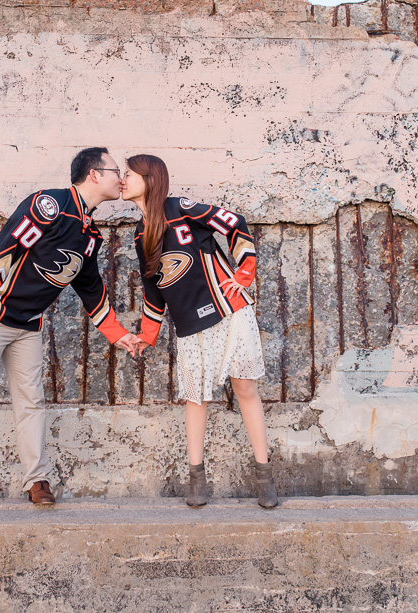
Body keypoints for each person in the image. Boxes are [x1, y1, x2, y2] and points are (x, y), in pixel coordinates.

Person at [0, 147, 141, 515]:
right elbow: (6, 246)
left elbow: (90, 288)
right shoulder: (50, 205)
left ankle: (37, 480)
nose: (120, 178)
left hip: (28, 325)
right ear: (94, 174)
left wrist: (118, 333)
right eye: (115, 171)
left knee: (31, 403)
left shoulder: (89, 233)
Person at [124, 154, 278, 509]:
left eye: (129, 174)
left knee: (245, 388)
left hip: (229, 312)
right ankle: (197, 481)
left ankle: (265, 477)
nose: (123, 179)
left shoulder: (181, 208)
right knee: (196, 397)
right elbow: (153, 290)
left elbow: (234, 223)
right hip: (190, 326)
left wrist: (243, 275)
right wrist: (146, 336)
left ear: (150, 179)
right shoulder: (138, 235)